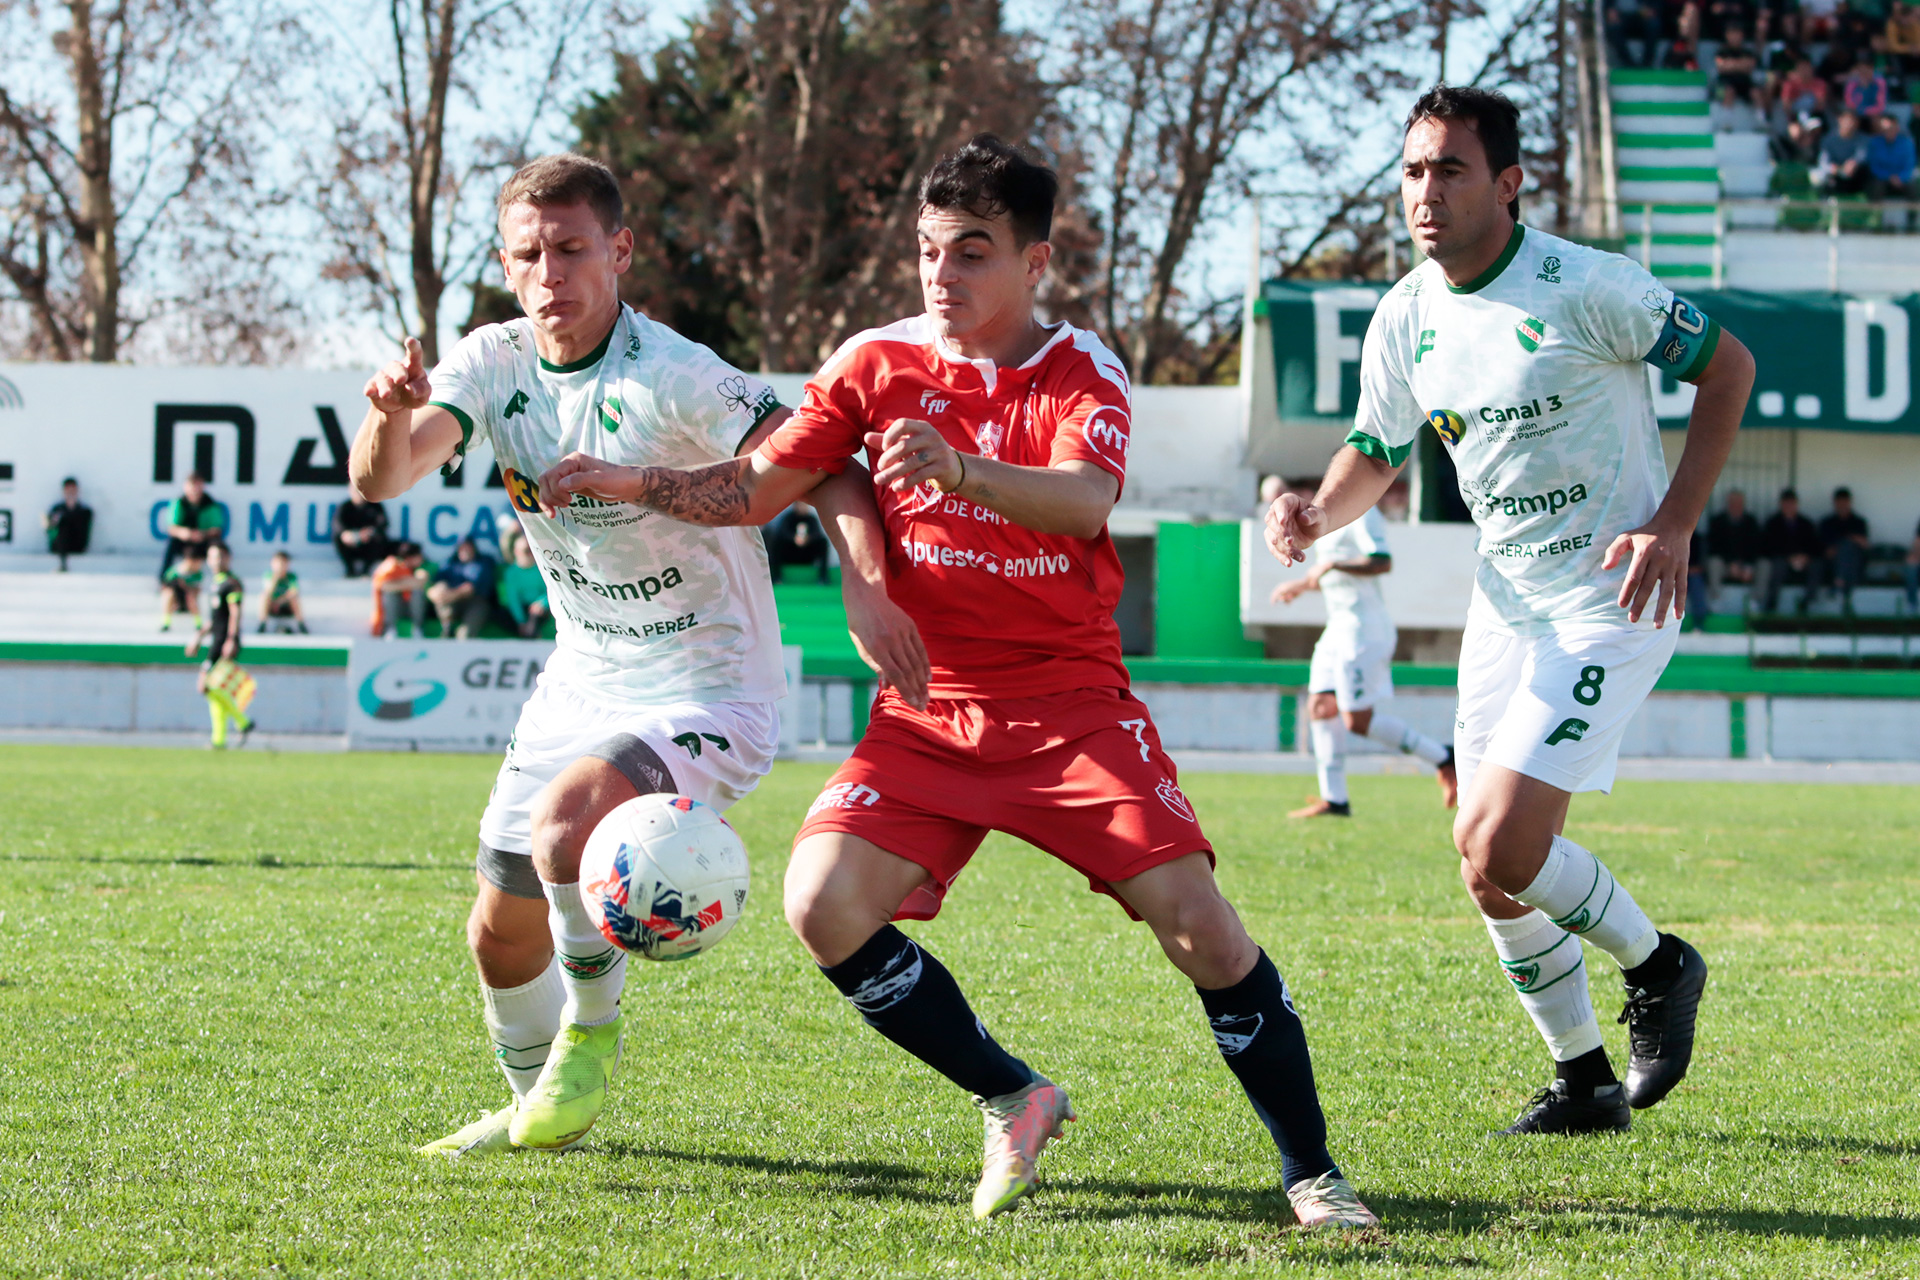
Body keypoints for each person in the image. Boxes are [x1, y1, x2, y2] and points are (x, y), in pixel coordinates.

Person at [534, 135, 1379, 1231]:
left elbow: (1082, 499)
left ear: (1036, 262)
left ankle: (1312, 1169)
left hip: (1071, 705)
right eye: (930, 250)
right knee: (822, 904)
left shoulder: (1083, 367)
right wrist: (628, 478)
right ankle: (1010, 1091)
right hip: (931, 709)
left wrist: (961, 466)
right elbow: (756, 485)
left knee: (1200, 930)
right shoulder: (874, 364)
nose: (942, 275)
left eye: (972, 251)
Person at [1267, 86, 1750, 1137]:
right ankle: (1583, 1079)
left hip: (1609, 597)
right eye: (1411, 171)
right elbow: (1378, 450)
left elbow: (1729, 368)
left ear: (1509, 182)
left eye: (1449, 169)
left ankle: (1662, 964)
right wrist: (1315, 506)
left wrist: (1674, 523)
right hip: (1509, 604)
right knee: (1485, 866)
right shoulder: (1405, 314)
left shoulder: (1587, 285)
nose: (1425, 193)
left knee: (1505, 838)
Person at [350, 152, 851, 1160]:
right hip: (581, 674)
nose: (551, 275)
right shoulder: (493, 362)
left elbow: (810, 456)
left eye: (573, 249)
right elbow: (383, 479)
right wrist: (387, 408)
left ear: (618, 250)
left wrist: (870, 592)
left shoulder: (672, 371)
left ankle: (592, 1031)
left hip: (711, 681)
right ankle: (536, 1103)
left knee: (567, 823)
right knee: (497, 928)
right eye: (529, 254)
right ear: (505, 261)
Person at [1269, 501, 1457, 819]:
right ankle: (1335, 800)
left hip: (1363, 631)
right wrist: (1302, 585)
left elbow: (1381, 562)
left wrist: (1333, 566)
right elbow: (1333, 577)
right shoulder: (1326, 523)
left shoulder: (1362, 512)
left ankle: (1443, 756)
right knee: (1319, 707)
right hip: (1337, 628)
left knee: (1356, 720)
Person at [188, 542, 256, 750]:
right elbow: (216, 619)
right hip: (216, 639)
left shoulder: (232, 583)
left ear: (227, 559)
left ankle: (241, 722)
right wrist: (198, 637)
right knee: (212, 690)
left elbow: (235, 613)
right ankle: (221, 738)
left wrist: (231, 639)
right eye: (212, 557)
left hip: (224, 641)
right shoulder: (214, 584)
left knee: (205, 686)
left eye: (219, 557)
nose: (215, 561)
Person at [1758, 487, 1824, 611]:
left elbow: (1816, 546)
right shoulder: (1772, 523)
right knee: (1777, 564)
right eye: (1786, 503)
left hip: (1803, 562)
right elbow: (1768, 547)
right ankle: (1771, 603)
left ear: (1796, 504)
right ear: (1781, 504)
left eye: (1792, 503)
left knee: (1817, 565)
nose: (1789, 506)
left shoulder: (1806, 523)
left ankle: (1807, 602)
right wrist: (1789, 557)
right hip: (1783, 562)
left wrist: (1805, 557)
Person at [159, 472, 223, 579]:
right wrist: (184, 533)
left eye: (198, 486)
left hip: (204, 541)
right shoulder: (179, 503)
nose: (195, 490)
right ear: (186, 487)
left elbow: (217, 529)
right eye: (192, 486)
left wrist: (202, 534)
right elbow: (172, 528)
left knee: (217, 548)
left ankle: (220, 577)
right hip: (184, 540)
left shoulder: (211, 505)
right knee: (171, 544)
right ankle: (163, 579)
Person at [1706, 488, 1762, 602]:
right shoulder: (1717, 522)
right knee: (1713, 563)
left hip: (1747, 567)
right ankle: (1715, 601)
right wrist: (1730, 564)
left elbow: (1756, 547)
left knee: (1764, 564)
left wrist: (1748, 565)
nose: (1735, 505)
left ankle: (1756, 602)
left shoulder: (1751, 522)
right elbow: (1714, 547)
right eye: (1732, 502)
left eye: (1738, 503)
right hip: (1726, 566)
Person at [1819, 486, 1871, 602]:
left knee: (1848, 547)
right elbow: (1824, 550)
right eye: (1839, 502)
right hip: (1833, 562)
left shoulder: (1858, 522)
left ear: (1849, 502)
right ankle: (1843, 588)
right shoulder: (1827, 523)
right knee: (1845, 550)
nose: (1842, 505)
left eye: (1845, 502)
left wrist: (1851, 539)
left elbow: (1865, 545)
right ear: (1835, 503)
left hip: (1855, 562)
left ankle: (1838, 581)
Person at [371, 542, 431, 637]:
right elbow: (383, 585)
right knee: (390, 594)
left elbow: (420, 582)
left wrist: (398, 583)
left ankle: (417, 628)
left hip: (416, 609)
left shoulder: (424, 566)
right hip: (397, 607)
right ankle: (390, 629)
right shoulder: (393, 566)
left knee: (417, 593)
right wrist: (408, 582)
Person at [498, 534, 552, 638]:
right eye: (527, 551)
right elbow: (513, 599)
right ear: (517, 552)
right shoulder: (511, 573)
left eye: (532, 550)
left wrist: (542, 603)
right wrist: (521, 621)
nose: (531, 554)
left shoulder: (543, 569)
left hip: (540, 609)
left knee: (534, 619)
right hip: (520, 609)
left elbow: (551, 591)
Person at [763, 502, 832, 583]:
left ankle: (823, 577)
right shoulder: (788, 518)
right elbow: (782, 532)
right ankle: (777, 577)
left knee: (823, 542)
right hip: (790, 554)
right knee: (777, 543)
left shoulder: (812, 519)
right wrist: (794, 538)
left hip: (807, 555)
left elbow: (817, 534)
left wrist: (807, 539)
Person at [332, 495, 393, 577]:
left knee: (379, 539)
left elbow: (383, 524)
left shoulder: (375, 506)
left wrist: (370, 532)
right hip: (351, 545)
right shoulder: (345, 506)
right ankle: (350, 570)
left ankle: (366, 570)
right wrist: (347, 534)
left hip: (369, 545)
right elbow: (338, 524)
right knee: (337, 538)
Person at [43, 477, 92, 571]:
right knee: (63, 525)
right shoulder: (57, 509)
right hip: (60, 545)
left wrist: (71, 509)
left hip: (77, 544)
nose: (70, 493)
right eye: (68, 490)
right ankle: (62, 564)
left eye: (72, 490)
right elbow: (50, 527)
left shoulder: (85, 510)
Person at [1819, 110, 1872, 193]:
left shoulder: (1864, 139)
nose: (1850, 124)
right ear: (1840, 120)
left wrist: (1854, 163)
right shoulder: (1828, 140)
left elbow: (1862, 155)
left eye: (1853, 121)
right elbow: (1823, 161)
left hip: (1856, 173)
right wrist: (1833, 168)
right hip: (1835, 174)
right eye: (1847, 121)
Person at [1867, 110, 1917, 198]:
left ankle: (1913, 212)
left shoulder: (1907, 143)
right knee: (1875, 185)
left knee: (1913, 185)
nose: (1888, 130)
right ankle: (1875, 211)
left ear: (1897, 127)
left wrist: (1900, 178)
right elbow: (1874, 166)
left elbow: (1910, 165)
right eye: (1885, 128)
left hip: (1902, 179)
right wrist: (1889, 177)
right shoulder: (1875, 143)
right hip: (1883, 178)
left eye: (1891, 127)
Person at [159, 543, 205, 632]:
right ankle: (166, 622)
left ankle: (198, 622)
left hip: (188, 599)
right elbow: (165, 586)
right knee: (168, 594)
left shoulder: (197, 574)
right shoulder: (174, 572)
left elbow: (197, 590)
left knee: (191, 596)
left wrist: (186, 587)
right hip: (176, 599)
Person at [258, 550, 307, 634]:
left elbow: (294, 591)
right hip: (272, 606)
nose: (281, 566)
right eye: (278, 563)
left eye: (283, 564)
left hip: (286, 605)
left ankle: (301, 624)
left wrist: (281, 600)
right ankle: (262, 623)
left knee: (294, 598)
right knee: (263, 596)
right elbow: (268, 591)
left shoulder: (291, 576)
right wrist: (276, 577)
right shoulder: (268, 575)